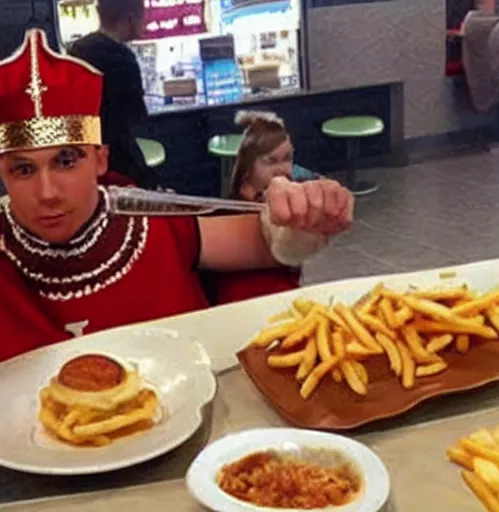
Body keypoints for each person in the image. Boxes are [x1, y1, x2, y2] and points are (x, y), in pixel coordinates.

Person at [0, 29, 354, 362]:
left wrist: (301, 215)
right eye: (23, 169)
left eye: (65, 161)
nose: (47, 193)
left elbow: (270, 244)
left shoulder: (148, 221)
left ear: (99, 159)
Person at [202, 111, 321, 306]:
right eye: (271, 161)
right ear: (248, 166)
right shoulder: (227, 214)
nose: (282, 169)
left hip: (286, 301)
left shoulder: (291, 192)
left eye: (287, 158)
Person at [67, 0, 157, 188]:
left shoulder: (76, 51)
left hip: (81, 155)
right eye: (143, 18)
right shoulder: (123, 59)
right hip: (117, 157)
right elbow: (136, 114)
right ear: (131, 19)